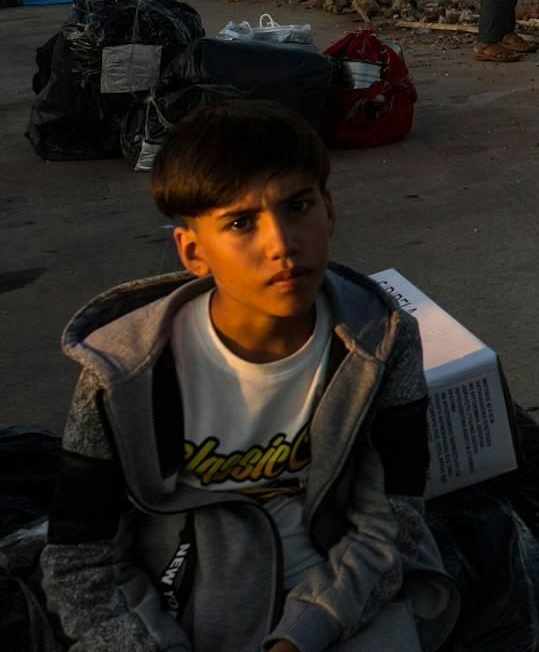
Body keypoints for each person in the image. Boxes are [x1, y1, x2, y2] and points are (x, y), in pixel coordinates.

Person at [39, 100, 459, 650]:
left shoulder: (379, 341)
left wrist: (302, 635)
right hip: (179, 606)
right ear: (193, 252)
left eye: (298, 205)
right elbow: (81, 559)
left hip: (341, 601)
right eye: (240, 223)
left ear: (329, 209)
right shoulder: (125, 371)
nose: (282, 245)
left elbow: (392, 520)